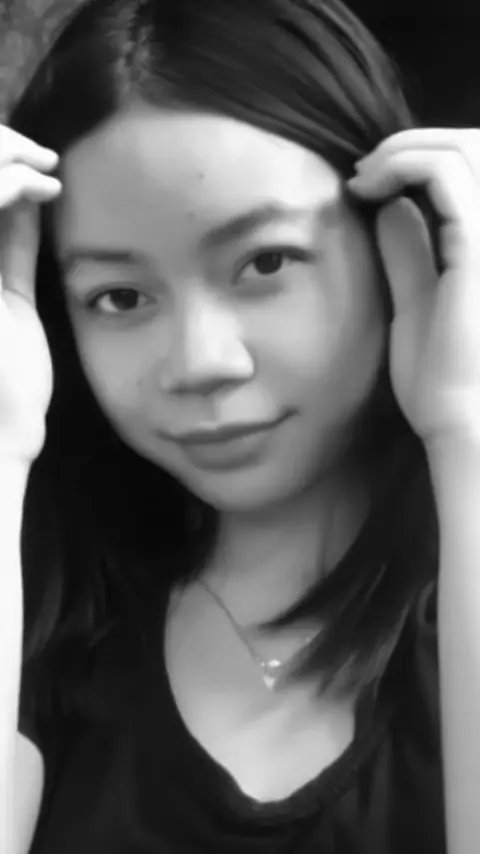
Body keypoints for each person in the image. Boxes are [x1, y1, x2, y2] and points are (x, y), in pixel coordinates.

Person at [2, 0, 480, 851]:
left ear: (400, 246)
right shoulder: (49, 622)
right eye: (119, 296)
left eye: (266, 262)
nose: (200, 362)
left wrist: (467, 429)